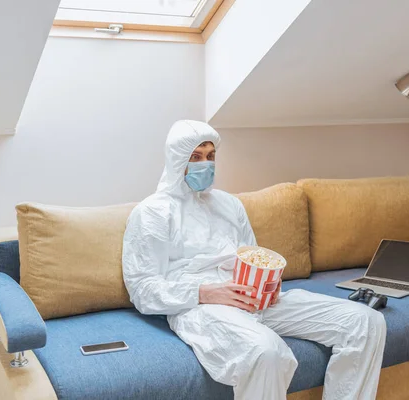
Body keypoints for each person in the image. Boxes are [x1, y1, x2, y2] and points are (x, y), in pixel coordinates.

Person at [122, 120, 387, 400]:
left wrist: (268, 283)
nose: (206, 164)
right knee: (266, 351)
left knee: (366, 321)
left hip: (252, 297)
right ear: (177, 160)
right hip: (201, 307)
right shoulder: (152, 213)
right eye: (196, 156)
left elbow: (252, 256)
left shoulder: (229, 205)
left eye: (211, 156)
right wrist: (205, 292)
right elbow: (142, 288)